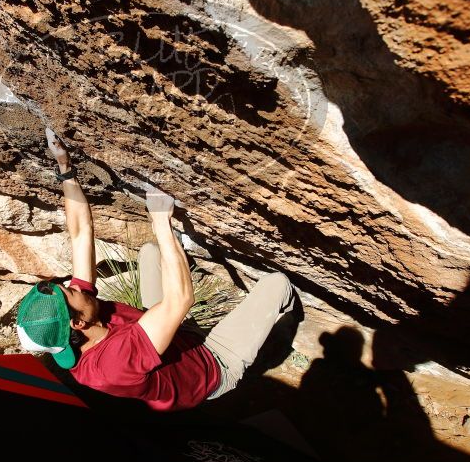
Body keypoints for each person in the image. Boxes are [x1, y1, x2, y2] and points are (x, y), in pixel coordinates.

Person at [16, 129, 294, 411]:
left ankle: (176, 284)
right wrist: (162, 222)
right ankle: (289, 327)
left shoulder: (81, 321)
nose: (75, 284)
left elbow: (80, 232)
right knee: (278, 283)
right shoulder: (111, 365)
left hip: (169, 335)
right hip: (214, 363)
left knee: (150, 253)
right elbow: (181, 301)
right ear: (77, 323)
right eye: (71, 290)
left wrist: (65, 168)